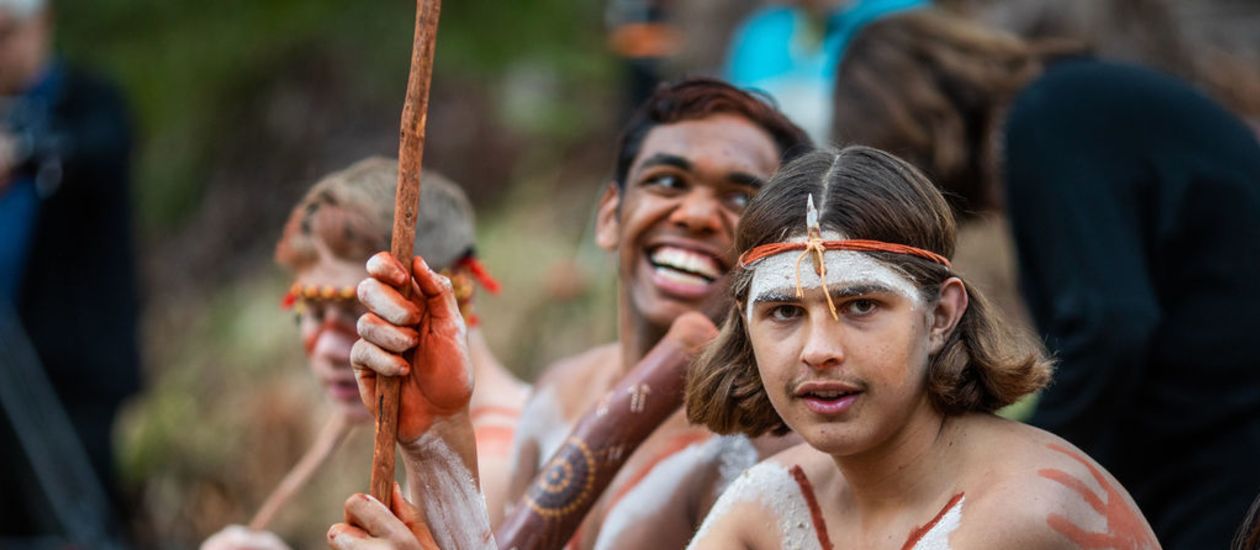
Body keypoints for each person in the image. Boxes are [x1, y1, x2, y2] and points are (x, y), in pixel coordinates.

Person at [830, 8, 1260, 547]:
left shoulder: (1051, 119)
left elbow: (1109, 326)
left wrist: (1010, 464)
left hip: (1231, 440)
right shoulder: (1070, 107)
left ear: (914, 127)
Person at [339, 78, 813, 548]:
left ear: (779, 250)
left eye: (740, 198)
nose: (694, 214)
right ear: (609, 217)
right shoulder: (559, 393)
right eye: (668, 182)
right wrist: (434, 437)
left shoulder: (771, 451)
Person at [684, 145, 1156, 548]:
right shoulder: (768, 502)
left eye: (861, 305)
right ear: (745, 325)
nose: (819, 350)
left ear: (941, 316)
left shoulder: (1030, 509)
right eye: (784, 312)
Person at [201, 158, 527, 549]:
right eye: (315, 310)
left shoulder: (492, 464)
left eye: (362, 309)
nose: (328, 348)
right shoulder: (390, 433)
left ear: (444, 292)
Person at [0, 0, 139, 539]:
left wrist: (23, 152)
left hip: (75, 374)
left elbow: (95, 150)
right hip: (6, 373)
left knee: (79, 520)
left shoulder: (91, 102)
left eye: (8, 33)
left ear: (44, 24)